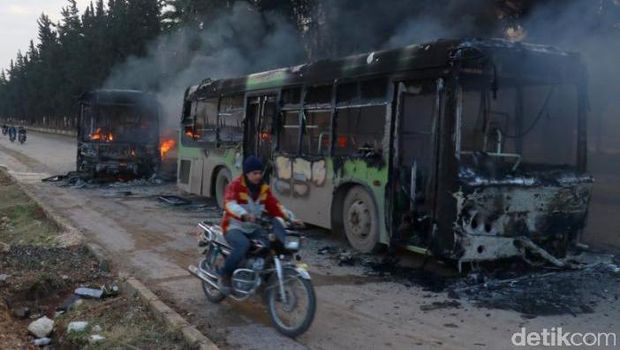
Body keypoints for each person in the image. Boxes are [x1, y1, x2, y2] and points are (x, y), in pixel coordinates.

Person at [218, 155, 294, 293]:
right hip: (233, 226)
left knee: (271, 244)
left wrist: (291, 218)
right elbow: (229, 204)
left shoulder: (264, 189)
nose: (258, 176)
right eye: (255, 173)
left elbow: (275, 206)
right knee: (243, 245)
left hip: (253, 228)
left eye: (260, 173)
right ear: (247, 174)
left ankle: (263, 278)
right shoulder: (235, 185)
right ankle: (225, 276)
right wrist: (244, 215)